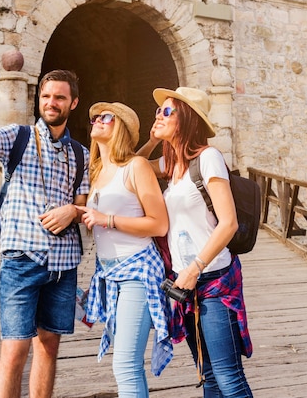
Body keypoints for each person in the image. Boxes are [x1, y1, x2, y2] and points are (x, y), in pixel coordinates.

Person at [0, 69, 90, 398]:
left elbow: (82, 204)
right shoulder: (17, 137)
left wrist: (72, 211)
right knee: (15, 351)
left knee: (48, 347)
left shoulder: (81, 154)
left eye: (60, 97)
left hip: (63, 265)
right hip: (22, 260)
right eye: (46, 96)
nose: (51, 103)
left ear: (72, 102)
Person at [137, 87, 253, 397]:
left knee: (229, 378)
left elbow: (228, 222)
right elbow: (132, 169)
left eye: (166, 111)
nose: (158, 115)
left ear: (186, 118)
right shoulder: (171, 165)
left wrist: (195, 268)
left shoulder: (209, 158)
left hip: (213, 279)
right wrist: (152, 140)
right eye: (158, 111)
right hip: (185, 284)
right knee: (209, 376)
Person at [77, 102, 172, 397]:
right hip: (108, 274)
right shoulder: (96, 171)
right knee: (127, 366)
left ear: (121, 128)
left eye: (107, 117)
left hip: (138, 271)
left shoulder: (137, 167)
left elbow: (159, 225)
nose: (98, 121)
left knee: (126, 365)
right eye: (95, 117)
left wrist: (108, 219)